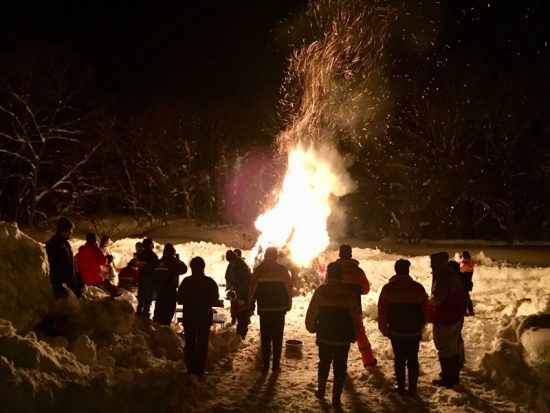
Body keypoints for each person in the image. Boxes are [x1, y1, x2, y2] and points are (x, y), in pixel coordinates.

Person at [306, 262, 358, 408]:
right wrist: (354, 334)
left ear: (328, 274)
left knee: (324, 362)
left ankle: (321, 390)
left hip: (325, 336)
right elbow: (355, 316)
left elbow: (312, 312)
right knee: (340, 365)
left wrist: (311, 327)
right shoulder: (348, 293)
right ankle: (336, 396)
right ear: (341, 275)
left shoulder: (321, 291)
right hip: (342, 338)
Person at [378, 259, 429, 397]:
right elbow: (426, 310)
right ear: (408, 270)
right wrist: (421, 325)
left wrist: (385, 329)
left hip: (396, 331)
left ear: (396, 270)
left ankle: (401, 387)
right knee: (413, 358)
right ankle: (412, 388)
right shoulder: (418, 288)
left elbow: (382, 311)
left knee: (399, 359)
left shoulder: (388, 289)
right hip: (413, 332)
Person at [249, 246, 292, 373]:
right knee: (277, 337)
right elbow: (288, 291)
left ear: (265, 255)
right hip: (279, 309)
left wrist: (250, 305)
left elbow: (252, 291)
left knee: (266, 337)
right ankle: (276, 366)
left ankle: (265, 365)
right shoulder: (282, 270)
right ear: (276, 256)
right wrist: (288, 304)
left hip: (264, 309)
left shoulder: (258, 271)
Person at [336, 244, 377, 368]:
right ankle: (368, 361)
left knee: (339, 335)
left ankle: (339, 363)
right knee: (360, 334)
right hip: (354, 309)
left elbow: (328, 286)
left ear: (340, 254)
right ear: (350, 255)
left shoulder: (334, 270)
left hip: (337, 309)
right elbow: (365, 289)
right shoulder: (357, 271)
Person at [177, 256, 219, 376]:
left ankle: (190, 368)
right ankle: (200, 368)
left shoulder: (186, 281)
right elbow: (215, 298)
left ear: (191, 268)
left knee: (189, 342)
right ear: (203, 267)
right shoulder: (209, 282)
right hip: (204, 316)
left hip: (189, 315)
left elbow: (179, 298)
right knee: (202, 342)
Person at [429, 251, 465, 388]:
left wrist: (428, 300)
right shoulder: (454, 275)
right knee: (452, 347)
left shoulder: (443, 277)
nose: (431, 267)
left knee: (444, 347)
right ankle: (453, 375)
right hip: (455, 316)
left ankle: (447, 377)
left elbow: (437, 299)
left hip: (445, 317)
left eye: (432, 264)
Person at [45, 217, 81, 299]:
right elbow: (57, 265)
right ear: (63, 230)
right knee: (66, 306)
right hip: (62, 282)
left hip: (69, 280)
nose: (71, 232)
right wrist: (64, 282)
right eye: (70, 230)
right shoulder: (55, 244)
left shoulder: (65, 243)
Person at [153, 243, 187, 325]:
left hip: (160, 291)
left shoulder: (158, 262)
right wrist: (178, 260)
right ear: (173, 252)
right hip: (170, 292)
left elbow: (153, 275)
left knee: (159, 312)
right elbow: (184, 269)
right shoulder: (174, 262)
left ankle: (157, 330)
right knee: (168, 313)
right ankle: (165, 331)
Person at [225, 249, 252, 339]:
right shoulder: (237, 265)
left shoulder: (240, 267)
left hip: (243, 295)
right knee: (240, 314)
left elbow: (243, 284)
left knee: (242, 316)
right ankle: (240, 334)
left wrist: (239, 296)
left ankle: (241, 335)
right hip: (240, 294)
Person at [136, 238, 159, 317]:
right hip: (150, 281)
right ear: (150, 245)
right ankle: (145, 321)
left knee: (140, 302)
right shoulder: (153, 256)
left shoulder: (140, 255)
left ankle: (138, 318)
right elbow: (156, 269)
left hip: (142, 280)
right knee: (147, 303)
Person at [460, 251, 475, 316]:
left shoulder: (466, 263)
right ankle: (470, 311)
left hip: (464, 283)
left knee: (465, 297)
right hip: (468, 282)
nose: (461, 258)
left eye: (462, 257)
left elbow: (460, 270)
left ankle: (465, 312)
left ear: (464, 256)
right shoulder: (470, 263)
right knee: (467, 297)